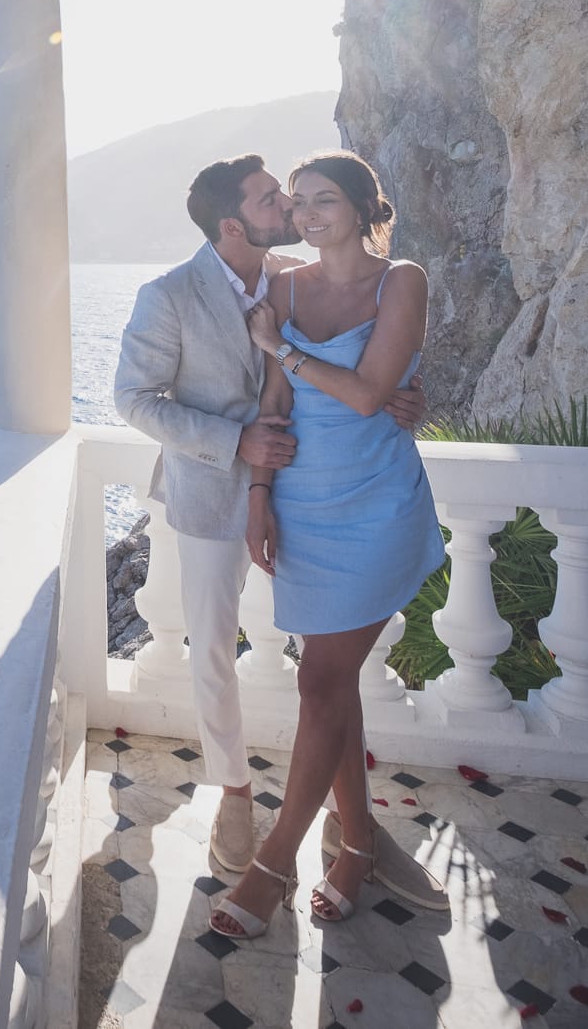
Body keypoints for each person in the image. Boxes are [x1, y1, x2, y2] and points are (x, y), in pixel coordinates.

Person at [112, 155, 423, 881]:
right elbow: (134, 399)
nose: (288, 203)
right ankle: (233, 791)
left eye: (296, 195)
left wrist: (404, 390)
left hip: (314, 495)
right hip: (217, 494)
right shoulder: (168, 295)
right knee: (215, 649)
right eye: (268, 197)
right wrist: (235, 442)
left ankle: (350, 818)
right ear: (232, 224)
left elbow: (356, 354)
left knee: (327, 665)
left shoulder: (293, 273)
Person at [208, 150, 451, 939]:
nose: (307, 215)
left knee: (320, 679)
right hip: (304, 508)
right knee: (333, 684)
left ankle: (275, 863)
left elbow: (372, 392)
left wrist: (281, 348)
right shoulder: (283, 286)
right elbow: (277, 406)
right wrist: (258, 498)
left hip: (377, 506)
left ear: (359, 204)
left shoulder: (399, 280)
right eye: (298, 202)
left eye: (323, 200)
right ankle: (358, 847)